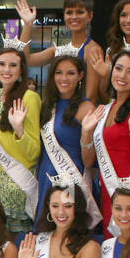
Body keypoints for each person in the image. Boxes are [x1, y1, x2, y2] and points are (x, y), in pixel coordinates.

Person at [81, 48, 130, 229]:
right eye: (118, 68)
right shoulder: (105, 109)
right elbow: (89, 161)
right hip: (108, 192)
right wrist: (86, 133)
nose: (122, 75)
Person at [34, 48, 98, 231]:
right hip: (46, 176)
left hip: (73, 177)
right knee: (47, 231)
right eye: (59, 72)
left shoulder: (87, 107)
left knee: (71, 230)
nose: (64, 78)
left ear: (81, 75)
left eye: (71, 73)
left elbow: (90, 159)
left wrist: (86, 134)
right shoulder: (46, 106)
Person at [0, 41, 42, 234]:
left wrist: (19, 130)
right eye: (2, 64)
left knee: (6, 243)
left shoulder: (29, 97)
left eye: (13, 65)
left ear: (21, 70)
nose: (6, 69)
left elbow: (33, 152)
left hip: (16, 181)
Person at [17, 0, 104, 100]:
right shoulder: (57, 50)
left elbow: (91, 96)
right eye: (69, 12)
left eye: (80, 12)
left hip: (80, 113)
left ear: (90, 16)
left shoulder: (93, 49)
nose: (74, 17)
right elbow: (26, 59)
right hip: (57, 109)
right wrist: (28, 24)